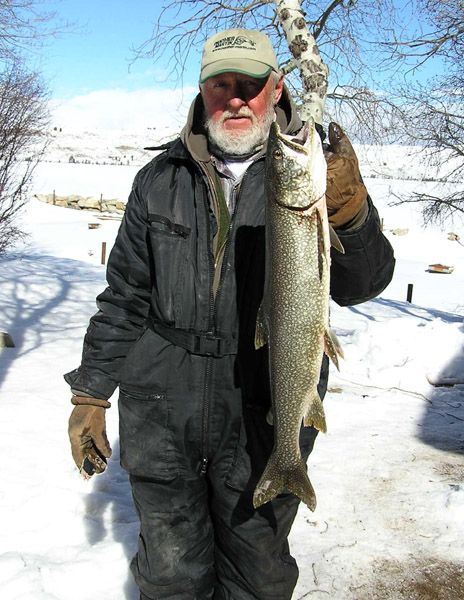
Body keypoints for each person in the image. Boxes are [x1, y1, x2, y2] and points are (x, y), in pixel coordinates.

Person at [66, 28, 395, 600]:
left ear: (276, 88)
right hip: (161, 409)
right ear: (203, 91)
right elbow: (123, 296)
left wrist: (349, 213)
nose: (236, 98)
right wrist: (90, 395)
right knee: (170, 571)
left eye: (251, 84)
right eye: (223, 85)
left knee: (258, 569)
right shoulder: (157, 180)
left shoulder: (309, 170)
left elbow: (363, 285)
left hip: (264, 403)